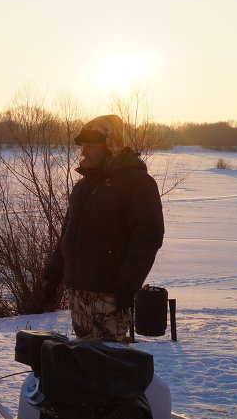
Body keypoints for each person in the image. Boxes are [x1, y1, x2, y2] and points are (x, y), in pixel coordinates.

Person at [44, 114, 164, 343]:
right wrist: (54, 274)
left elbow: (148, 238)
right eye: (83, 146)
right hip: (79, 292)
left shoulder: (137, 183)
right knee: (83, 362)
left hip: (111, 295)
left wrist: (127, 287)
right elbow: (68, 234)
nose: (83, 152)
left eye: (90, 146)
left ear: (110, 145)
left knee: (110, 364)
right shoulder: (83, 187)